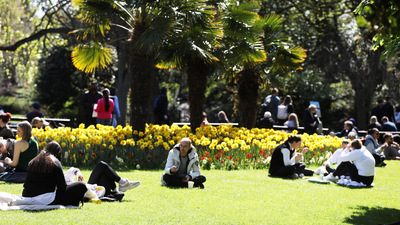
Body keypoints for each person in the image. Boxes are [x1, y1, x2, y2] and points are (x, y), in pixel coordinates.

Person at [22, 141, 87, 206]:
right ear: (57, 153)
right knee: (81, 185)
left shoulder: (33, 161)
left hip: (26, 197)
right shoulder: (54, 161)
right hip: (45, 199)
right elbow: (62, 188)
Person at [64, 161, 140, 201]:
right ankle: (122, 183)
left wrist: (77, 174)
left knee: (104, 172)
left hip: (96, 189)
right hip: (91, 191)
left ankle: (116, 190)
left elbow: (72, 170)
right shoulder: (59, 190)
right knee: (101, 165)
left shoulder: (60, 178)